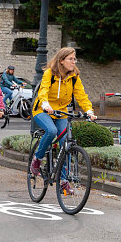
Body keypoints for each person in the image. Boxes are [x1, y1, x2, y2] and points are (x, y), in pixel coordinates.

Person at [30, 47, 97, 183]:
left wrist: (89, 111)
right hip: (42, 110)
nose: (74, 62)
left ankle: (63, 181)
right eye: (70, 59)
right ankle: (37, 159)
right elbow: (43, 90)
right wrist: (45, 104)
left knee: (66, 142)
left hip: (61, 112)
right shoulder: (50, 73)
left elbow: (81, 95)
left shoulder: (74, 77)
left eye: (74, 59)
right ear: (61, 61)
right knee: (51, 130)